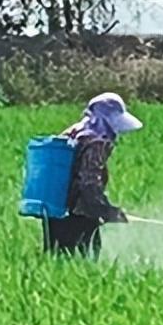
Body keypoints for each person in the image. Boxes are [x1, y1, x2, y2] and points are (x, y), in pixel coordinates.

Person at [43, 92, 143, 257]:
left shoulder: (74, 133)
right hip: (79, 212)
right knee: (86, 257)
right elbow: (89, 182)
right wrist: (106, 211)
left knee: (56, 257)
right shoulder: (96, 141)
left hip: (56, 206)